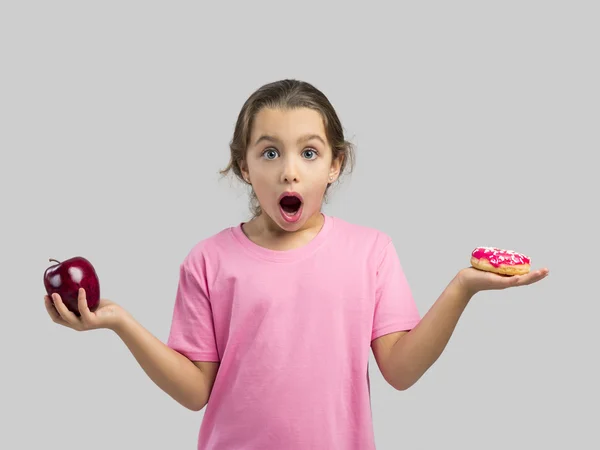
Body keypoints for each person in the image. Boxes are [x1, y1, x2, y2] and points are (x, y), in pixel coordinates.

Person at [44, 79, 549, 449]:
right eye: (269, 153)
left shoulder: (371, 251)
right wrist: (119, 322)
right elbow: (196, 390)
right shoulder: (208, 261)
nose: (289, 171)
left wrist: (462, 287)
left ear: (335, 165)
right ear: (244, 165)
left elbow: (399, 369)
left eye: (309, 152)